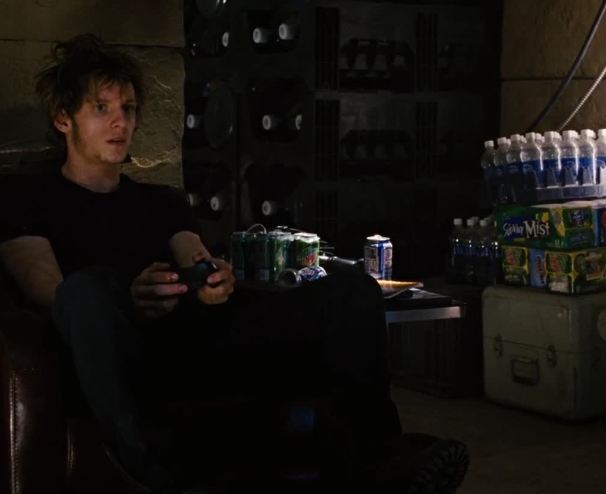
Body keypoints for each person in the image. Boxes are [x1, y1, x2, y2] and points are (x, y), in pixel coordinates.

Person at [0, 34, 468, 494]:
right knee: (86, 290)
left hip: (192, 342)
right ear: (64, 118)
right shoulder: (30, 200)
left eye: (129, 108)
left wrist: (214, 280)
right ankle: (156, 469)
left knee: (351, 289)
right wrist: (126, 299)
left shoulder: (161, 201)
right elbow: (53, 295)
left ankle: (381, 457)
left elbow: (195, 258)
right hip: (116, 356)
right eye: (102, 108)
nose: (120, 121)